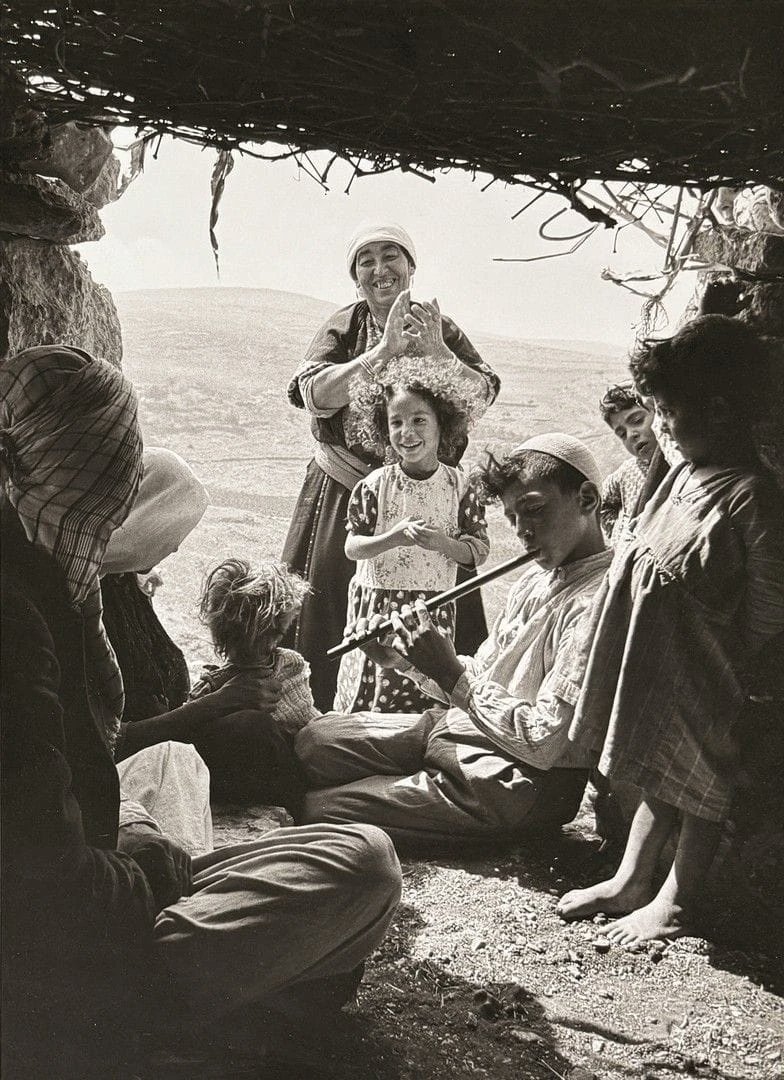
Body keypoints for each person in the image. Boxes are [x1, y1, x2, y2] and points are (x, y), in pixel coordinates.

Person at [1, 345, 402, 1079]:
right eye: (113, 489)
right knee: (362, 870)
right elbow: (44, 887)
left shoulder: (48, 579)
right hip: (49, 957)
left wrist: (131, 837)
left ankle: (232, 997)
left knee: (347, 850)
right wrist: (150, 864)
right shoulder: (20, 617)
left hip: (91, 870)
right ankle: (136, 1032)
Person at [557, 316, 784, 945]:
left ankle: (678, 901)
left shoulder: (749, 496)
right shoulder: (681, 472)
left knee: (699, 781)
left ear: (717, 409)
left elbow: (769, 606)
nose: (658, 425)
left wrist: (748, 679)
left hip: (712, 674)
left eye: (667, 410)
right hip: (660, 666)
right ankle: (633, 879)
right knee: (661, 770)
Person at [295, 433, 613, 847]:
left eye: (534, 510)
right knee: (313, 742)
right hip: (466, 731)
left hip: (513, 780)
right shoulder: (537, 578)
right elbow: (487, 670)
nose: (523, 532)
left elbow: (544, 741)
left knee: (320, 808)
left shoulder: (596, 604)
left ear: (587, 499)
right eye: (512, 518)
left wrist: (451, 673)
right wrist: (405, 660)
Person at [282, 223, 500, 709]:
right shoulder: (344, 325)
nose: (380, 270)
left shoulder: (438, 327)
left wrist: (440, 355)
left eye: (390, 257)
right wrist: (381, 354)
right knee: (329, 612)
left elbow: (481, 394)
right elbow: (312, 395)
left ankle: (445, 712)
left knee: (435, 614)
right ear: (355, 276)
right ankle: (323, 713)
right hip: (345, 493)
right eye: (366, 260)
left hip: (432, 495)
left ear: (411, 266)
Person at [99, 449, 305, 807]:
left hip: (170, 738)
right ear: (142, 520)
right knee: (253, 732)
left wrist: (226, 687)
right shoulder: (86, 600)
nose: (176, 547)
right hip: (134, 762)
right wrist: (218, 702)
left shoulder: (122, 583)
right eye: (170, 530)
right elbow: (108, 741)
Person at [335, 356, 489, 712]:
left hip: (431, 609)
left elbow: (478, 551)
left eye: (419, 420)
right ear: (382, 428)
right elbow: (353, 548)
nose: (408, 433)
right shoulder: (374, 486)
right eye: (397, 422)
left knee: (427, 693)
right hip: (376, 606)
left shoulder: (460, 488)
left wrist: (444, 544)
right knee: (369, 696)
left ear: (442, 424)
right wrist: (395, 537)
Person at [191, 557, 320, 735]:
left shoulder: (291, 664)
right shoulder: (213, 687)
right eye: (274, 634)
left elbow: (309, 717)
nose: (271, 644)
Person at [598, 384, 659, 543]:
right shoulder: (628, 471)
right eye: (622, 434)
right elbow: (601, 504)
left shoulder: (682, 461)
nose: (631, 435)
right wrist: (619, 530)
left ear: (658, 411)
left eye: (637, 421)